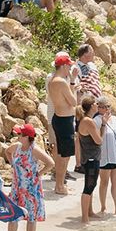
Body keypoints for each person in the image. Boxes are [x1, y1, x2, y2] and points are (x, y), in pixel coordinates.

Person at [3, 123, 52, 231]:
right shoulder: (17, 147)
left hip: (31, 189)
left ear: (27, 137)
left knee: (31, 216)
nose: (17, 136)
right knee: (13, 215)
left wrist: (39, 174)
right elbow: (7, 152)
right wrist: (13, 164)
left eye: (20, 134)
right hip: (17, 187)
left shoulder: (34, 150)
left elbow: (50, 163)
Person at [47, 53, 79, 195]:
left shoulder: (53, 80)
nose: (69, 69)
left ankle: (60, 185)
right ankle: (60, 186)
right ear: (64, 66)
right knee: (64, 156)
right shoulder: (60, 81)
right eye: (69, 66)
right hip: (64, 120)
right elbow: (73, 102)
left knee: (61, 154)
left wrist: (71, 82)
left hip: (59, 118)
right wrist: (72, 84)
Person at [94, 96, 116, 216]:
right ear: (99, 108)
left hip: (115, 155)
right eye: (104, 107)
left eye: (108, 106)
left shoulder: (115, 119)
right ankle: (103, 207)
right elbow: (99, 138)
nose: (107, 109)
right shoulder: (96, 120)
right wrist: (104, 123)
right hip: (104, 155)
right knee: (104, 182)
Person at [76, 97, 104, 224]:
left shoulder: (85, 120)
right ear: (91, 106)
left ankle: (90, 212)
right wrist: (103, 125)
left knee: (91, 185)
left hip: (89, 158)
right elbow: (99, 141)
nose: (97, 105)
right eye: (95, 103)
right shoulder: (88, 121)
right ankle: (84, 218)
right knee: (89, 186)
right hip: (91, 158)